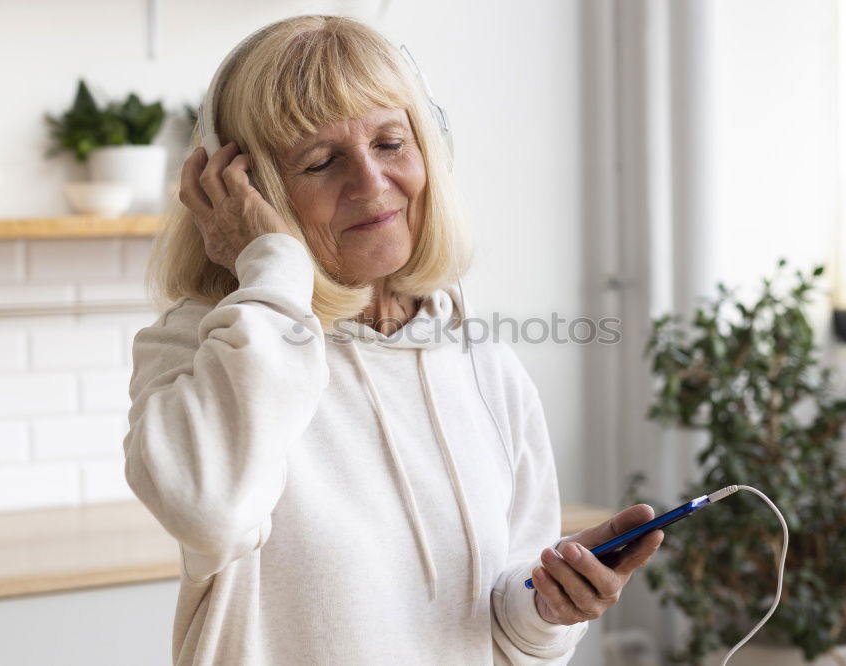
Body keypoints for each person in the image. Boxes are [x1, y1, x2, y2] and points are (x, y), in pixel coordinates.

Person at [123, 14, 663, 666]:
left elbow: (504, 623)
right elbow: (212, 513)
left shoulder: (481, 358)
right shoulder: (197, 349)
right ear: (242, 193)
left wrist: (548, 606)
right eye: (320, 161)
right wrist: (268, 266)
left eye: (389, 143)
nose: (371, 184)